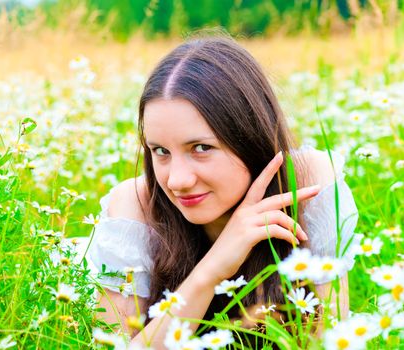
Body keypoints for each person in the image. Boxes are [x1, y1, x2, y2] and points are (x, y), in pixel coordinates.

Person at [87, 35, 358, 348]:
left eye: (201, 148)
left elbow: (329, 339)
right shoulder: (135, 209)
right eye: (160, 151)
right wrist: (214, 267)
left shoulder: (308, 184)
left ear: (249, 136)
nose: (177, 180)